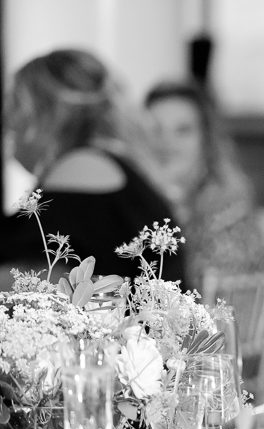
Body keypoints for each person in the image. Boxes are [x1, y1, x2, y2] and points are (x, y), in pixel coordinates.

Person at [0, 48, 188, 287]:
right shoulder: (109, 166)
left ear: (40, 113)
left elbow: (28, 280)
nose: (8, 122)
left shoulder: (80, 167)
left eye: (14, 106)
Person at [144, 80, 264, 289]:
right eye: (155, 129)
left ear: (207, 139)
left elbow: (200, 287)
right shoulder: (137, 199)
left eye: (183, 130)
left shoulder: (227, 204)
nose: (166, 141)